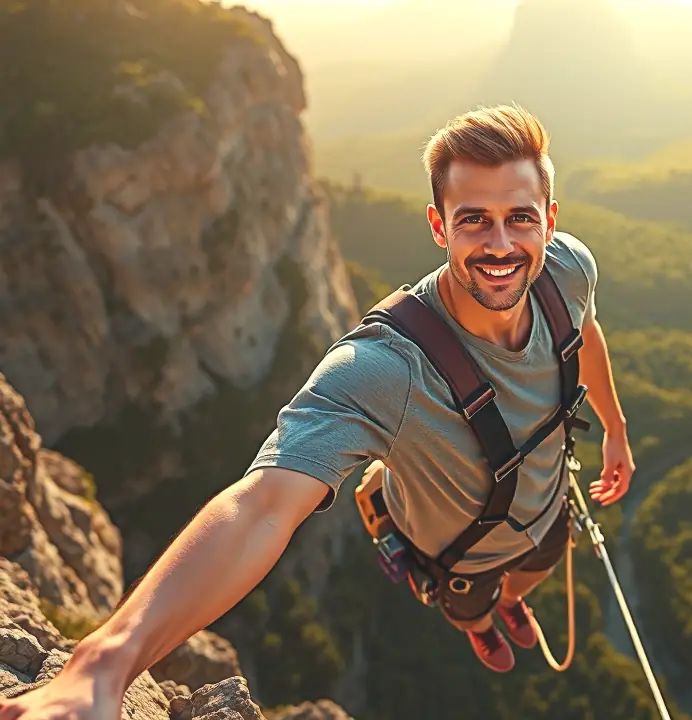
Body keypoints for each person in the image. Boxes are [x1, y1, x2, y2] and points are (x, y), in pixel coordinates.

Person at [0, 104, 634, 719]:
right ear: (439, 227)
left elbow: (582, 333)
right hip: (459, 554)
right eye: (474, 221)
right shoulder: (386, 369)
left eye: (519, 218)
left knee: (535, 565)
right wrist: (105, 663)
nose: (500, 245)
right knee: (471, 602)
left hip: (548, 510)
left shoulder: (569, 270)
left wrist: (615, 429)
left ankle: (511, 597)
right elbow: (261, 506)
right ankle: (477, 612)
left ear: (549, 221)